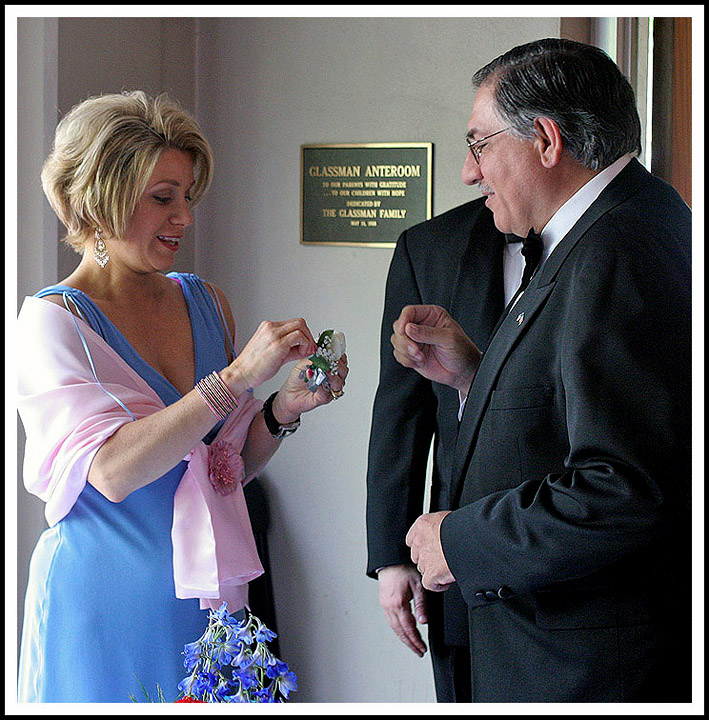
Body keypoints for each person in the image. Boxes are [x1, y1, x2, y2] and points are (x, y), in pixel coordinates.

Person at [16, 90, 348, 703]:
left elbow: (223, 468)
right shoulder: (52, 322)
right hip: (104, 608)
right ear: (101, 198)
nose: (184, 218)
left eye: (187, 198)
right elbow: (114, 471)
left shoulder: (204, 300)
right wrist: (234, 379)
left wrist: (283, 409)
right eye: (162, 198)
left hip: (209, 607)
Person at [395, 39, 691, 702]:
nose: (470, 174)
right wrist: (476, 374)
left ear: (546, 140)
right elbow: (590, 413)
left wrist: (460, 539)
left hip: (580, 666)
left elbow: (624, 489)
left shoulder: (619, 249)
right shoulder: (609, 231)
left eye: (478, 144)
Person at [366, 196, 517, 701]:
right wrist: (392, 556)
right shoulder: (428, 246)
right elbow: (400, 411)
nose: (470, 172)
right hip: (452, 557)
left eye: (481, 146)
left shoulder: (604, 239)